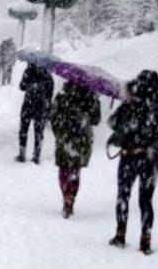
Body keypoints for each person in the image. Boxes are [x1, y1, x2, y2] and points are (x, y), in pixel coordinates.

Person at [107, 70, 158, 255]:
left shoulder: (130, 104)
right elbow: (153, 129)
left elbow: (112, 122)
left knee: (123, 195)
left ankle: (120, 234)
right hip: (151, 156)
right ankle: (145, 240)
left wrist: (128, 107)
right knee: (146, 200)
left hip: (129, 156)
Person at [50, 82, 101, 218]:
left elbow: (53, 113)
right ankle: (71, 198)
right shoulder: (91, 96)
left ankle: (65, 193)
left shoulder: (63, 93)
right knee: (75, 170)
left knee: (63, 168)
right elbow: (96, 120)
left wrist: (58, 131)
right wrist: (94, 103)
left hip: (64, 136)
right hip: (82, 139)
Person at [16, 63, 54, 163]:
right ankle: (36, 154)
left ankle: (22, 153)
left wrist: (28, 81)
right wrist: (47, 105)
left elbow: (22, 86)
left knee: (23, 128)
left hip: (28, 104)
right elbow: (50, 92)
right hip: (40, 106)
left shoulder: (28, 72)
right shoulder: (46, 74)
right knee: (39, 130)